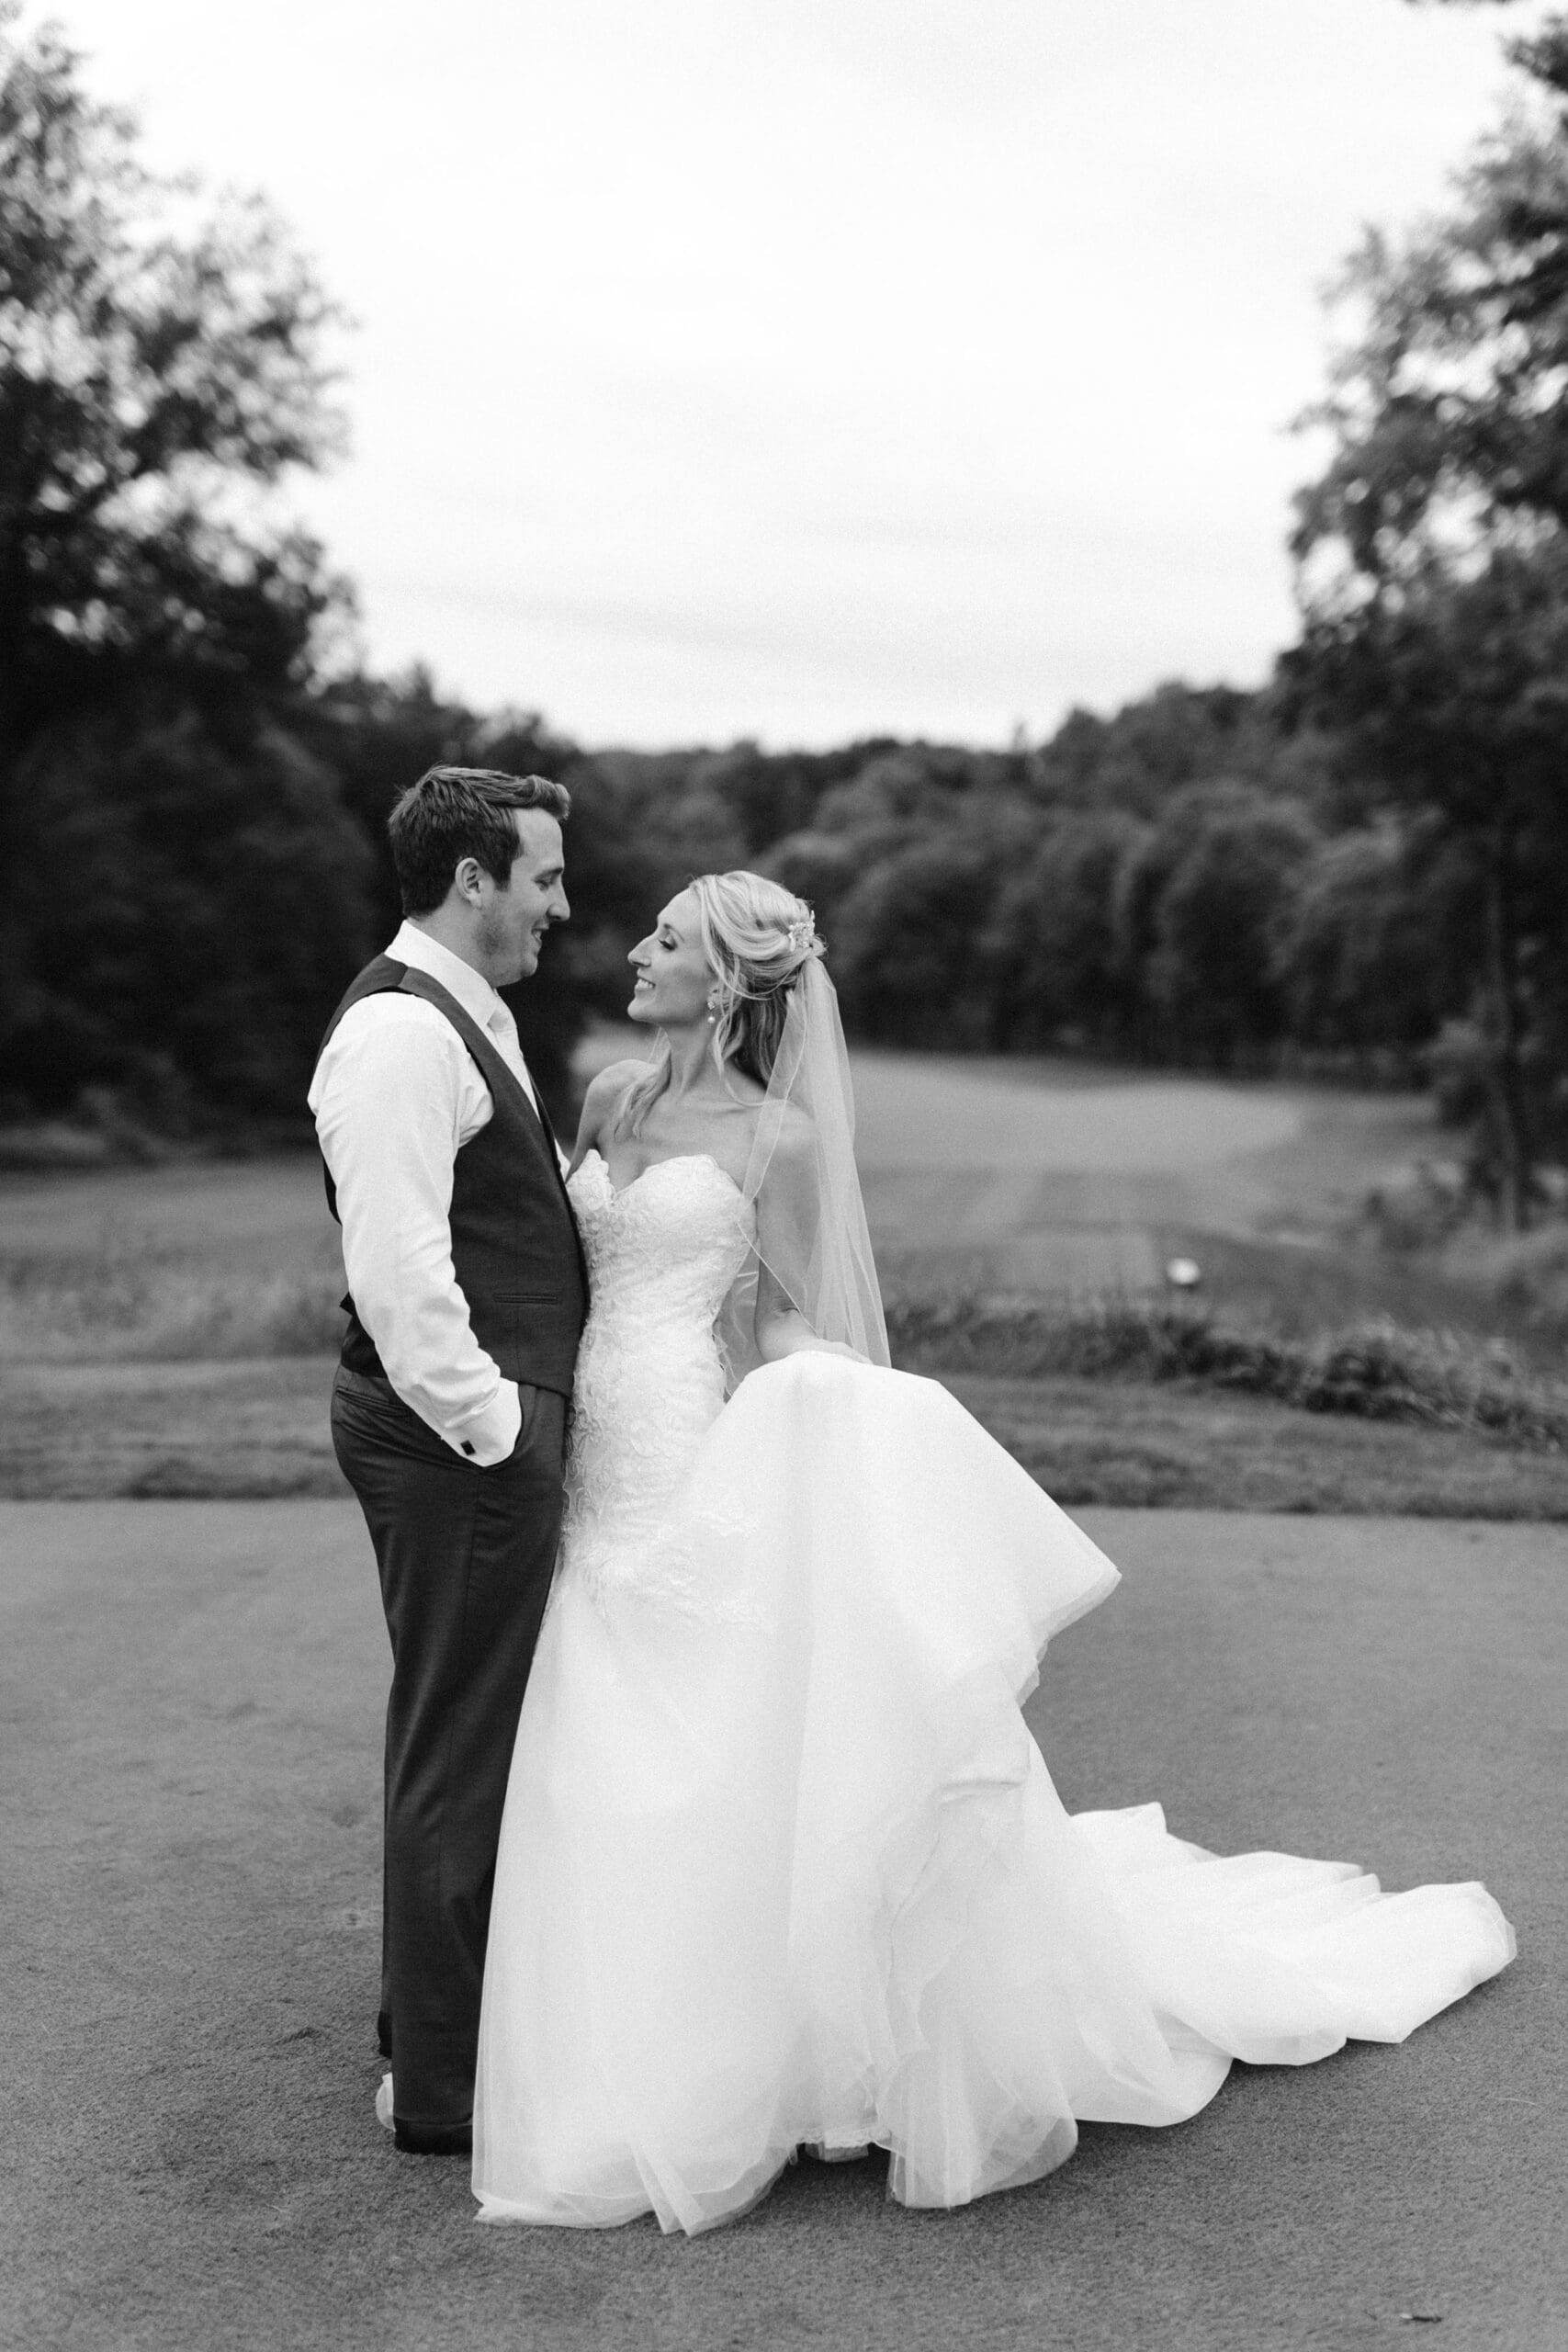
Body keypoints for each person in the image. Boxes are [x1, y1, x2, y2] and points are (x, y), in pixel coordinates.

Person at [464, 870, 1514, 2233]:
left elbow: (783, 1320)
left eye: (665, 939)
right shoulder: (610, 1098)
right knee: (608, 1718)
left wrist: (849, 1409)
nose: (636, 952)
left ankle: (763, 2047)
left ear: (722, 981)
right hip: (590, 1440)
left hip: (677, 1433)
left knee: (697, 1716)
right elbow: (572, 1270)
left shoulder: (782, 1142)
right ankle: (622, 2022)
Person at [310, 764, 585, 2156]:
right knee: (460, 1751)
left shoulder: (469, 1014)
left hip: (472, 1437)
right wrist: (500, 1430)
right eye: (544, 877)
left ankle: (426, 2028)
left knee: (464, 1732)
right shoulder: (402, 1035)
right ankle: (442, 2090)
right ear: (473, 879)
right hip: (456, 1442)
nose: (561, 905)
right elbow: (403, 1277)